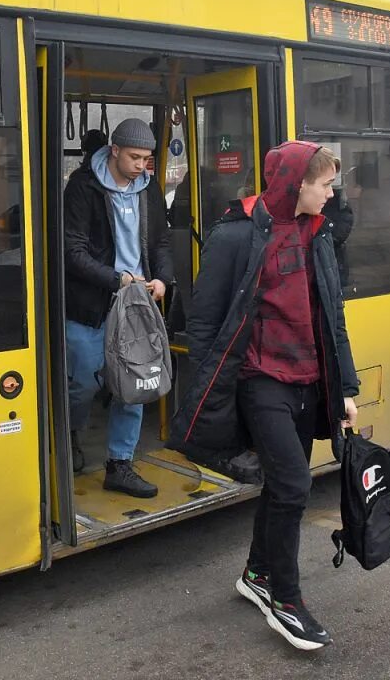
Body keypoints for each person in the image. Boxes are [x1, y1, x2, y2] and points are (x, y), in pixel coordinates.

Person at [169, 140, 359, 650]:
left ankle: (256, 574)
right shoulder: (235, 234)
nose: (332, 192)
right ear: (298, 185)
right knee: (295, 486)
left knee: (281, 486)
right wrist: (210, 394)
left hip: (308, 382)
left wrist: (347, 387)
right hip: (260, 379)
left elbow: (331, 313)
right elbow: (205, 321)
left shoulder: (318, 232)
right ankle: (285, 601)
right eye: (325, 184)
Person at [63, 118, 174, 497]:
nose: (142, 166)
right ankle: (70, 434)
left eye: (147, 159)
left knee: (136, 382)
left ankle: (120, 463)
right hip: (91, 303)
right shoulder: (83, 188)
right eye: (134, 157)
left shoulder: (149, 189)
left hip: (137, 304)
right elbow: (72, 253)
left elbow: (160, 241)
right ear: (114, 151)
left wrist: (162, 278)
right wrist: (118, 279)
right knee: (83, 380)